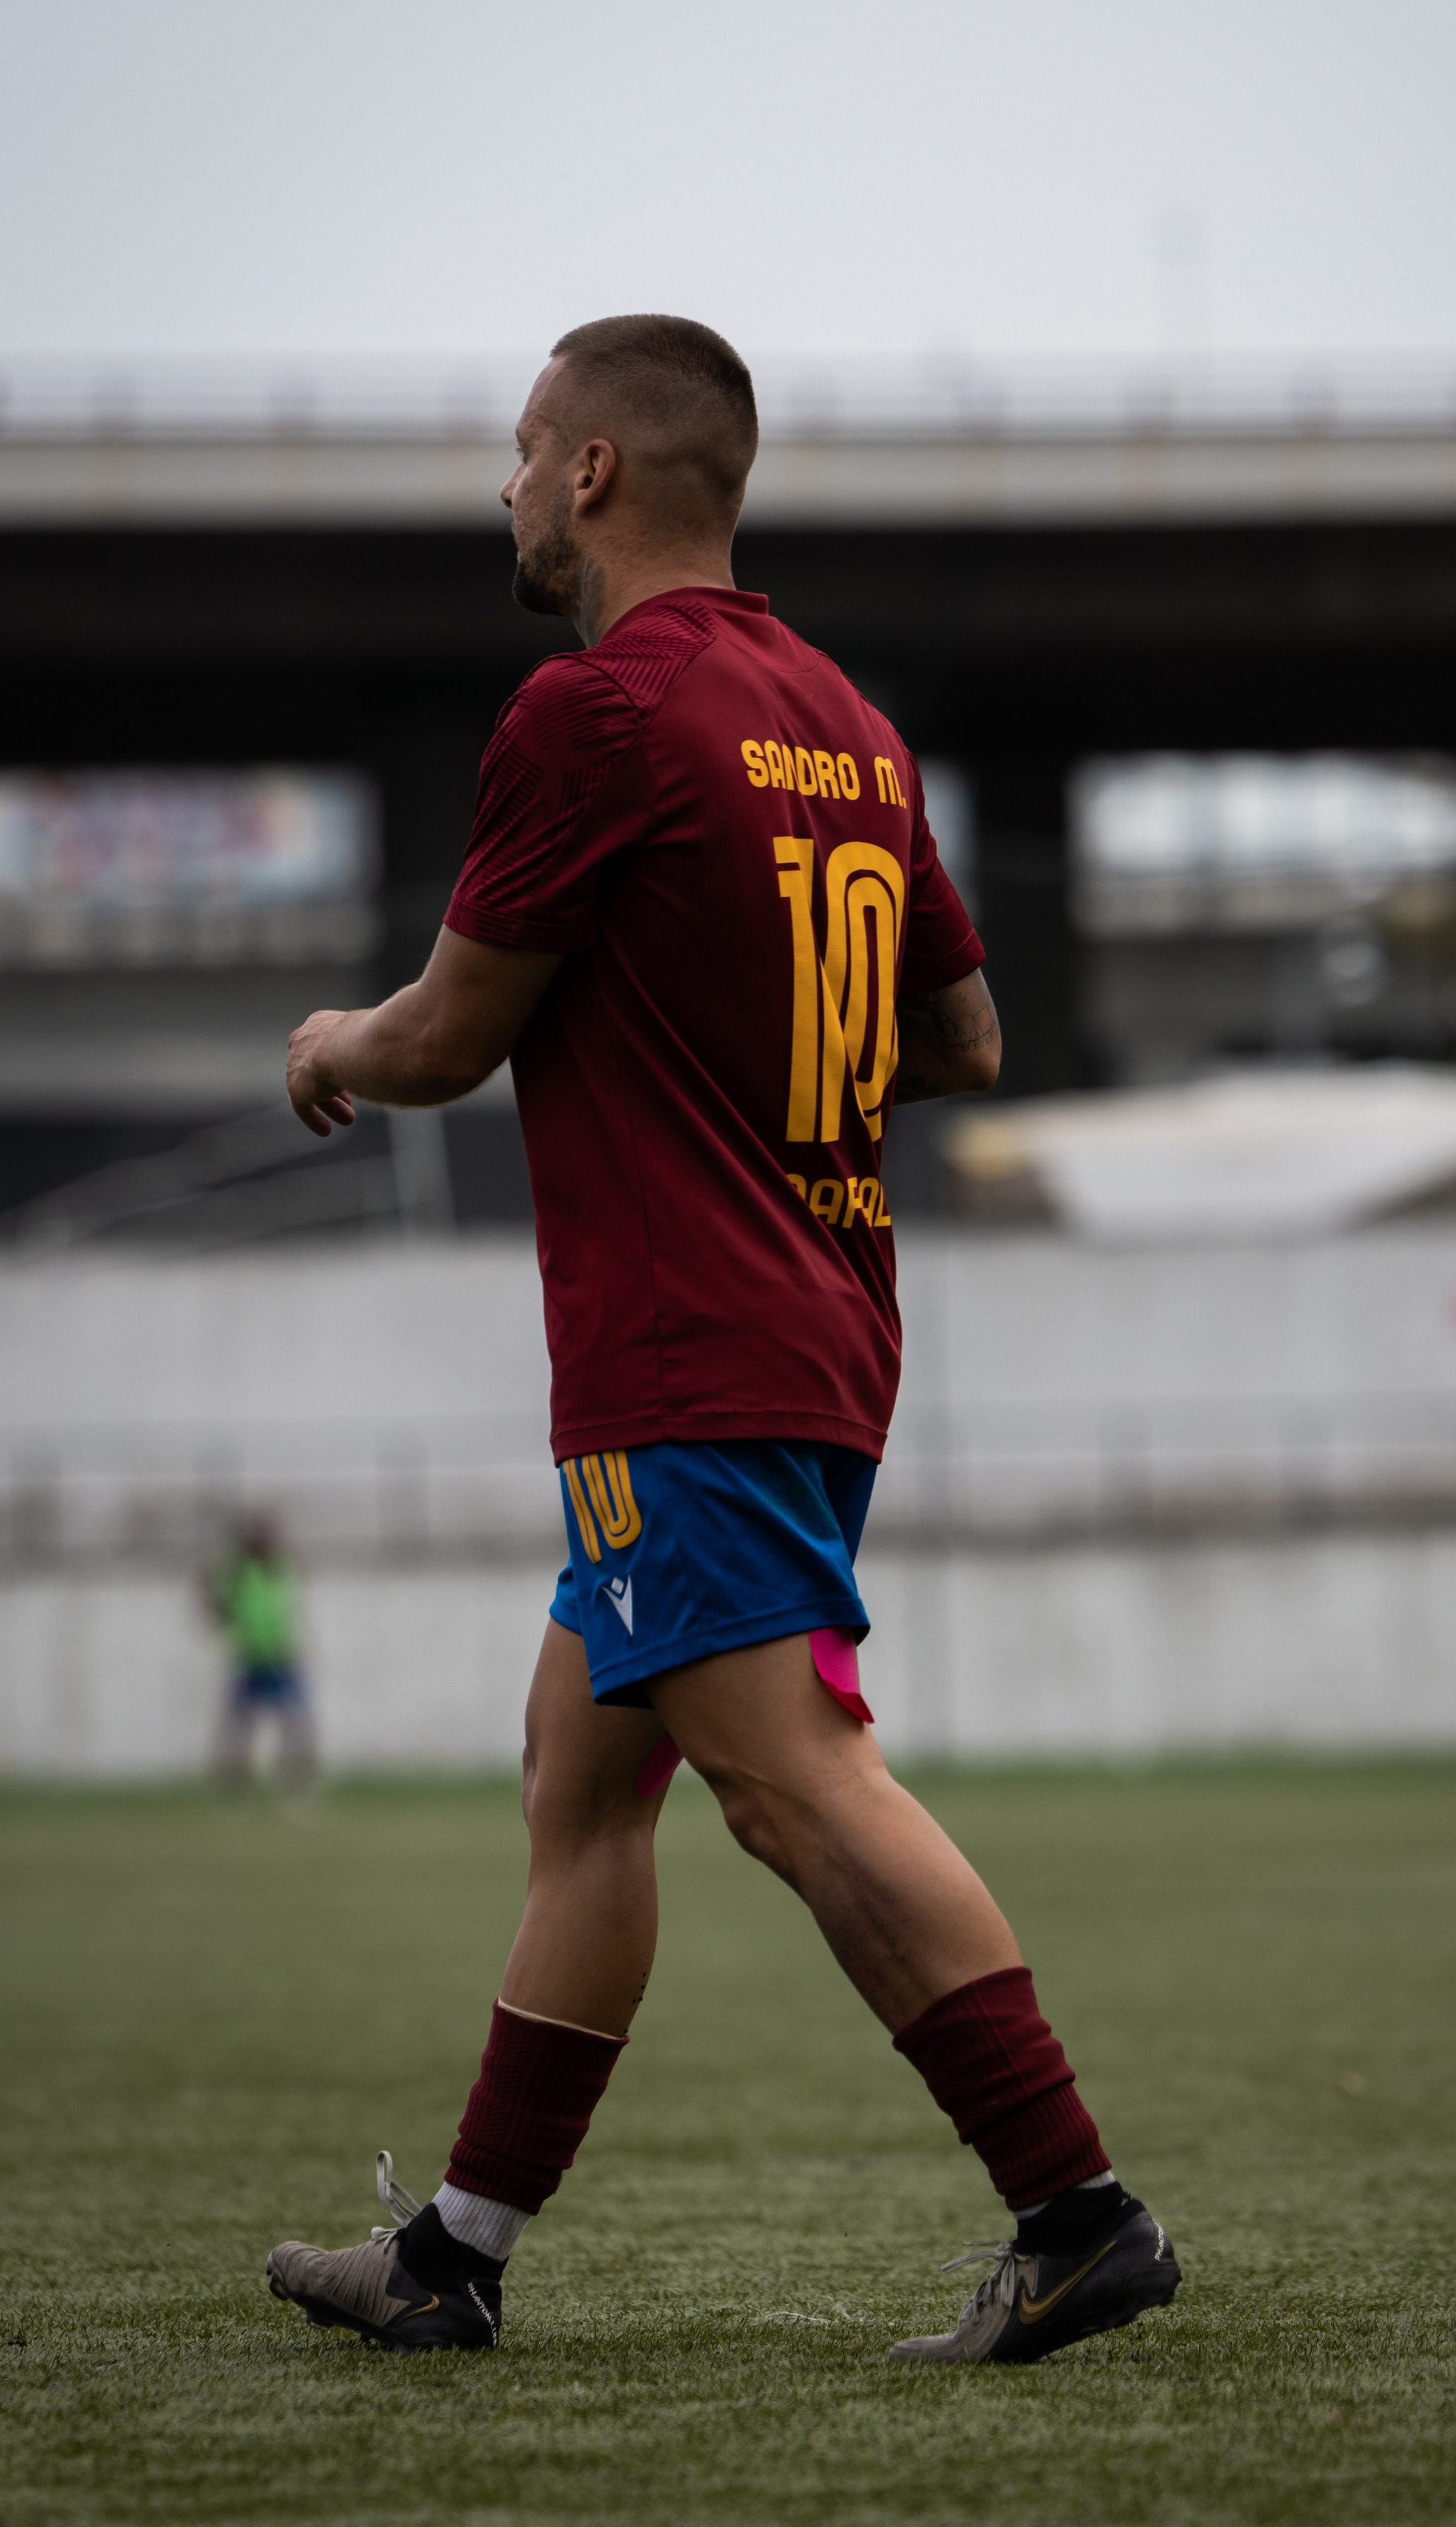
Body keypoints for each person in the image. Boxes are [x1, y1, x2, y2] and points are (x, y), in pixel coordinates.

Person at [265, 315, 1179, 2366]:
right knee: (580, 1779)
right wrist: (756, 1052)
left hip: (686, 1350)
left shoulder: (591, 712)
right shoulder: (844, 723)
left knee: (792, 1782)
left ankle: (1077, 2214)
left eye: (523, 449)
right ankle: (454, 2255)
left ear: (594, 470)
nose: (507, 485)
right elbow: (960, 1037)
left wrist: (331, 1042)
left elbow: (444, 1033)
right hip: (820, 1317)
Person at [204, 1515, 317, 1789]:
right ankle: (234, 1781)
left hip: (280, 1657)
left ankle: (296, 1778)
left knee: (295, 1723)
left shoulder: (280, 1568)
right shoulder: (239, 1574)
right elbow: (221, 1608)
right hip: (249, 1659)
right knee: (238, 1725)